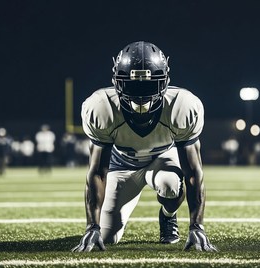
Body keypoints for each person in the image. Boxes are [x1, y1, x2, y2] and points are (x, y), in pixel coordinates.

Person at [72, 41, 217, 252]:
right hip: (121, 166)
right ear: (116, 82)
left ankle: (168, 215)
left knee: (170, 184)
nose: (140, 95)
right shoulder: (102, 107)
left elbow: (193, 172)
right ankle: (101, 226)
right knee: (106, 236)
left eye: (148, 86)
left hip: (162, 159)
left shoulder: (182, 106)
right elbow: (97, 172)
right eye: (132, 85)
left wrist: (197, 225)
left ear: (165, 81)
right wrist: (91, 226)